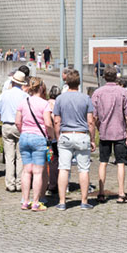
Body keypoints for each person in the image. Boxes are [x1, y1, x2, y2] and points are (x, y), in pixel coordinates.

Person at [53, 69, 96, 211]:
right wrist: (93, 139)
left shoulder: (59, 99)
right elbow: (90, 121)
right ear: (79, 82)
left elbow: (57, 121)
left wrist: (58, 136)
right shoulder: (85, 98)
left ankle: (62, 202)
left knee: (63, 168)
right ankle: (84, 201)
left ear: (66, 81)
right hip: (81, 134)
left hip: (65, 134)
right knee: (83, 169)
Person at [92, 66, 127, 204]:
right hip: (119, 132)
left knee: (103, 162)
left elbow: (94, 117)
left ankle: (101, 192)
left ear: (104, 77)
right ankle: (121, 193)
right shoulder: (124, 92)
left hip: (104, 132)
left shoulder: (97, 93)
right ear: (116, 77)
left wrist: (97, 129)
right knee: (121, 163)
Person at [16, 77, 54, 211]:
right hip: (39, 138)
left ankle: (25, 201)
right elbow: (48, 123)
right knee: (38, 172)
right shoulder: (45, 104)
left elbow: (17, 121)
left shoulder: (23, 102)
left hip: (24, 137)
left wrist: (23, 132)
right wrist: (51, 136)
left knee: (26, 171)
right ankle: (36, 202)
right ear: (42, 88)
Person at [0, 70, 29, 192]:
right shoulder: (25, 96)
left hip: (7, 125)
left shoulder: (4, 95)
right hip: (21, 126)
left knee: (9, 157)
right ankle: (20, 183)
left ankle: (10, 183)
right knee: (20, 156)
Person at [45, 85, 61, 196]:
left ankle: (46, 183)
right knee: (55, 161)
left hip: (46, 137)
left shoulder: (46, 103)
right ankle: (54, 185)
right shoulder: (59, 105)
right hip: (56, 138)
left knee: (48, 160)